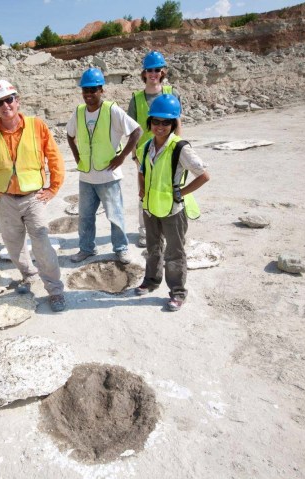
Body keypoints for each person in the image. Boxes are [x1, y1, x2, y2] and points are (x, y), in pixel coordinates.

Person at [0, 79, 66, 312]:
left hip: (34, 198)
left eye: (9, 99)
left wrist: (53, 188)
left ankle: (55, 290)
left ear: (17, 100)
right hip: (5, 200)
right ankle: (28, 274)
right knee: (13, 245)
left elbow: (54, 158)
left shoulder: (37, 126)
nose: (5, 105)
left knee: (42, 244)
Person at [135, 94, 210, 312]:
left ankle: (177, 291)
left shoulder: (180, 148)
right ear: (150, 123)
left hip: (173, 211)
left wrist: (181, 193)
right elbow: (142, 170)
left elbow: (203, 175)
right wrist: (142, 188)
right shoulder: (147, 145)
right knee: (153, 247)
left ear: (173, 123)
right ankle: (151, 281)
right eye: (156, 121)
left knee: (174, 252)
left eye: (166, 122)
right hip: (150, 208)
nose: (160, 126)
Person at [66, 67, 142, 264]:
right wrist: (77, 158)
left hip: (109, 177)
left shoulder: (111, 110)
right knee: (85, 217)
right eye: (85, 90)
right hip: (87, 177)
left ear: (101, 90)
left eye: (93, 90)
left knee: (115, 216)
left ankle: (121, 248)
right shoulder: (79, 112)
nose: (89, 94)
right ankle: (86, 249)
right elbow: (69, 134)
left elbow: (136, 131)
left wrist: (122, 156)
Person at [128, 51, 182, 248]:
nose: (153, 74)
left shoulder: (171, 93)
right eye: (149, 70)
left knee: (167, 189)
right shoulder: (136, 99)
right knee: (144, 191)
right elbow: (132, 129)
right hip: (145, 154)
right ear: (144, 73)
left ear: (162, 72)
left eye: (156, 70)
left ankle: (167, 228)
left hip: (167, 151)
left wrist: (178, 148)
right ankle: (144, 230)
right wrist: (135, 155)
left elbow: (178, 122)